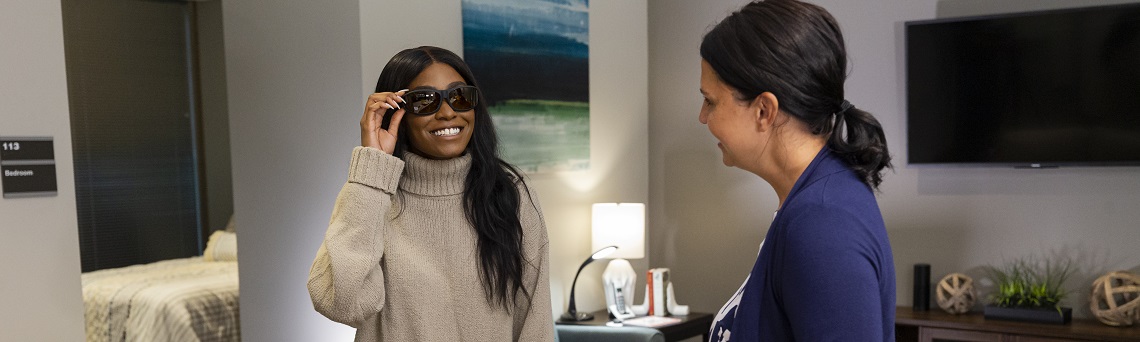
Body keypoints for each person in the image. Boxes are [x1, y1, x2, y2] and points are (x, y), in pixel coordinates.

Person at [307, 46, 554, 341]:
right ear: (396, 114)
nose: (448, 112)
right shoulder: (371, 196)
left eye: (460, 96)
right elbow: (342, 304)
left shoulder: (511, 193)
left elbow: (534, 321)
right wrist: (372, 171)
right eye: (425, 101)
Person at [697, 1, 896, 341]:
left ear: (764, 110)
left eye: (710, 101)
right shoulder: (816, 201)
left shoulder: (822, 225)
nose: (702, 117)